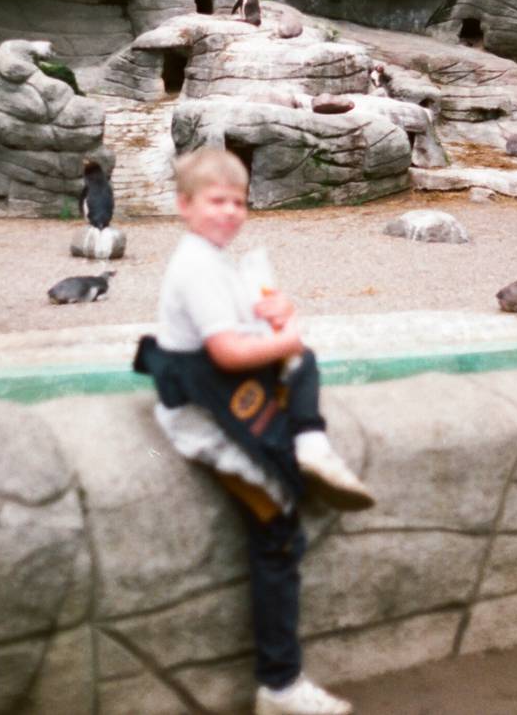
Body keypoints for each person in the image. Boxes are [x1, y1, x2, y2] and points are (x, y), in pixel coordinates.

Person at [134, 147, 373, 715]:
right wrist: (285, 340)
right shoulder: (194, 266)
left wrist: (280, 312)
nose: (229, 212)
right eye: (216, 201)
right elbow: (225, 350)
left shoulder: (220, 258)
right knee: (276, 530)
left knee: (302, 363)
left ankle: (311, 444)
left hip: (227, 385)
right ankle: (280, 684)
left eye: (238, 201)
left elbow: (251, 324)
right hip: (204, 410)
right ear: (184, 206)